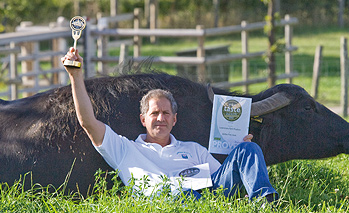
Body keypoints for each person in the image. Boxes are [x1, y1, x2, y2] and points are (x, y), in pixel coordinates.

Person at [62, 47, 278, 203]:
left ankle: (263, 203)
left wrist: (238, 150)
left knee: (248, 149)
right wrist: (75, 76)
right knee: (184, 194)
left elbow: (223, 178)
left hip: (207, 194)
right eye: (154, 113)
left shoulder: (193, 149)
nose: (160, 118)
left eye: (166, 113)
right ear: (143, 119)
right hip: (173, 201)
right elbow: (87, 122)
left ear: (174, 120)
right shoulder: (125, 149)